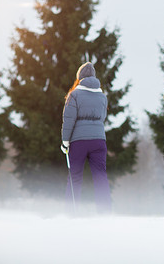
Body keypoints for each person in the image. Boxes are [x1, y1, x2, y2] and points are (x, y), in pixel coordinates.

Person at [61, 62, 111, 213]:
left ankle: (71, 212)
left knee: (75, 177)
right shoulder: (102, 96)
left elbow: (69, 119)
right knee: (100, 176)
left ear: (79, 77)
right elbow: (102, 117)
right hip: (98, 141)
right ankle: (104, 212)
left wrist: (65, 141)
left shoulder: (74, 95)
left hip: (78, 142)